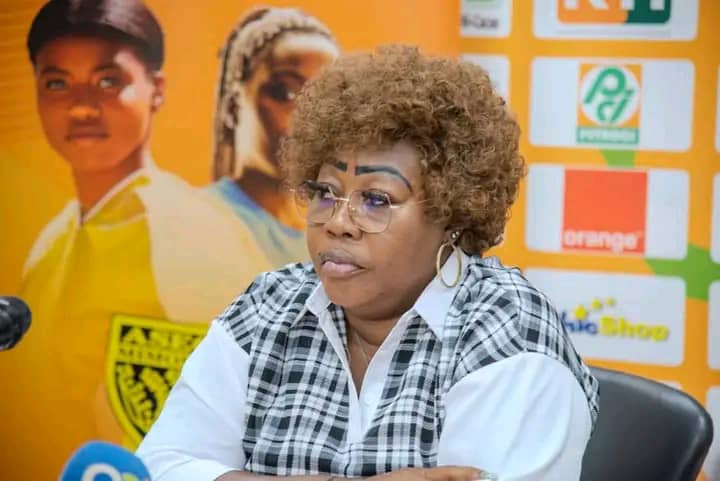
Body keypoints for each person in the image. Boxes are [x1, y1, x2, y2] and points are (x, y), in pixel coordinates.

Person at [137, 45, 600, 481]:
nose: (338, 223)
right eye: (325, 193)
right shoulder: (270, 306)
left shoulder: (505, 329)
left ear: (452, 215)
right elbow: (159, 466)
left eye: (376, 200)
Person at [0, 1, 270, 478]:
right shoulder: (54, 237)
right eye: (57, 83)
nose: (82, 106)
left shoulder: (188, 232)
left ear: (156, 89)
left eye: (109, 81)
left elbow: (237, 407)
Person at [209, 7, 339, 267]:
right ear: (234, 107)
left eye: (327, 99)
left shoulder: (338, 236)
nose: (309, 118)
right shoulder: (192, 218)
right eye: (285, 93)